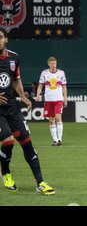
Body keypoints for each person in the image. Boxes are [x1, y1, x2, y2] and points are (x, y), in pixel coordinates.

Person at [0, 28, 54, 195]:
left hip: (12, 107)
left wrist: (23, 97)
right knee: (8, 141)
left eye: (0, 37)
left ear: (6, 39)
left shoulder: (13, 57)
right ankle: (6, 173)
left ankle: (40, 182)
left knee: (27, 143)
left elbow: (16, 79)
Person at [36, 57, 68, 146]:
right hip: (48, 99)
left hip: (58, 99)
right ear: (48, 64)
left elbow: (64, 86)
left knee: (58, 118)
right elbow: (40, 85)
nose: (54, 65)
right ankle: (55, 140)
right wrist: (38, 94)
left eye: (55, 63)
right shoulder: (44, 73)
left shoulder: (61, 73)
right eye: (52, 63)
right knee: (51, 120)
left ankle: (60, 139)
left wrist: (65, 98)